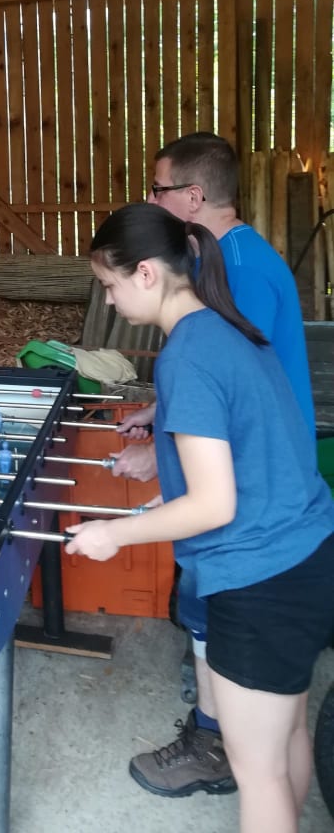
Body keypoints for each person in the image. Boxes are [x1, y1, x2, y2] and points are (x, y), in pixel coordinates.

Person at [66, 203, 334, 833]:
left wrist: (114, 532)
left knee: (258, 772)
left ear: (147, 273)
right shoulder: (224, 328)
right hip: (308, 555)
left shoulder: (186, 356)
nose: (110, 300)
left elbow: (215, 505)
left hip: (261, 580)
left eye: (110, 284)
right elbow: (251, 457)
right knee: (286, 738)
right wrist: (161, 475)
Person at [110, 131, 317, 797]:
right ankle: (218, 735)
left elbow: (218, 395)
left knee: (262, 764)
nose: (151, 200)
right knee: (283, 732)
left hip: (257, 513)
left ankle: (215, 743)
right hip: (276, 504)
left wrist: (130, 504)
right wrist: (159, 415)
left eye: (158, 189)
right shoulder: (229, 262)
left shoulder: (236, 276)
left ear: (193, 197)